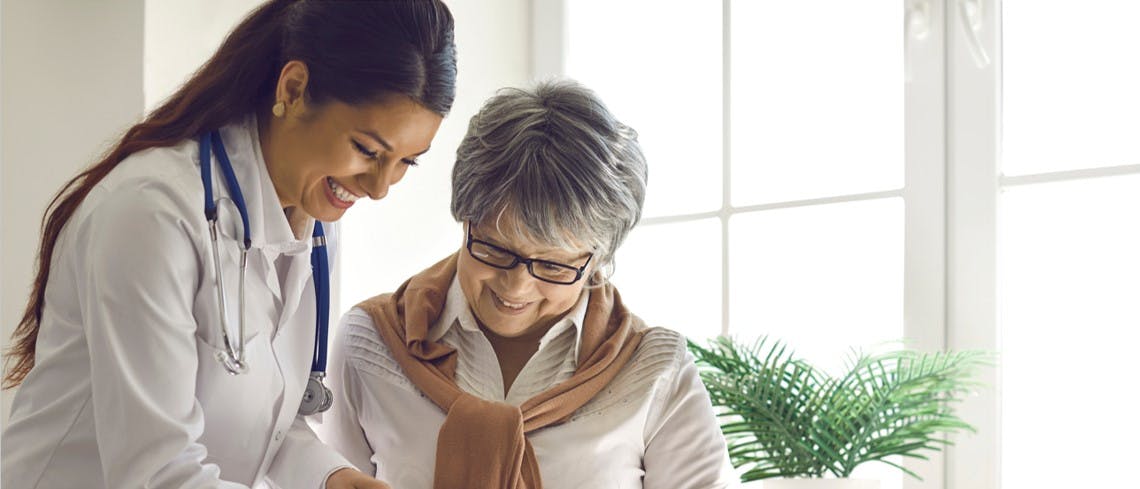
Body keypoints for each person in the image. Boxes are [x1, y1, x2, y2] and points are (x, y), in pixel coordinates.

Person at [1, 1, 455, 488]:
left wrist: (334, 479)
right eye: (367, 150)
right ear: (294, 89)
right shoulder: (152, 212)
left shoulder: (318, 219)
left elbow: (268, 424)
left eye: (408, 161)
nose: (379, 187)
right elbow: (157, 474)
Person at [317, 80, 736, 489]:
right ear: (465, 220)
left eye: (553, 265)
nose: (516, 286)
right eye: (495, 250)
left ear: (598, 260)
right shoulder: (371, 343)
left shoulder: (653, 369)